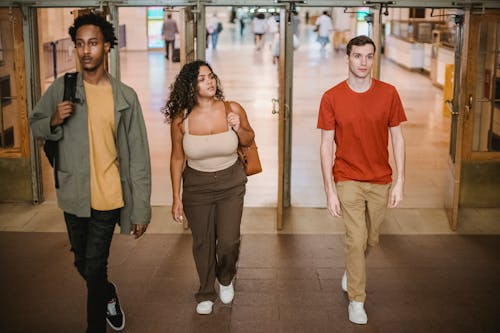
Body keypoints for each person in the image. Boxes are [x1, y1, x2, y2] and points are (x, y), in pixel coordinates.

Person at [29, 13, 152, 333]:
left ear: (107, 47)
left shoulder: (125, 96)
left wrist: (141, 208)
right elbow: (35, 125)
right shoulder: (62, 88)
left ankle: (94, 326)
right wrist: (53, 120)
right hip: (74, 193)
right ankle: (108, 293)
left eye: (93, 43)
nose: (86, 50)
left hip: (110, 195)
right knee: (82, 262)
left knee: (96, 263)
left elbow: (139, 156)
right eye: (80, 44)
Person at [317, 35, 406, 325]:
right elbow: (326, 144)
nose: (363, 62)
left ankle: (352, 270)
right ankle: (357, 299)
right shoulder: (332, 97)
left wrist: (401, 180)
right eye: (357, 56)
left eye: (369, 56)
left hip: (380, 179)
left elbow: (397, 137)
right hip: (347, 177)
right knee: (356, 239)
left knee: (371, 239)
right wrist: (329, 190)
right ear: (347, 58)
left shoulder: (389, 93)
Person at [163, 60, 254, 315]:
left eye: (211, 76)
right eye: (202, 79)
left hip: (231, 183)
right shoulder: (182, 119)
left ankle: (225, 277)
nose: (209, 82)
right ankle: (205, 291)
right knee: (202, 242)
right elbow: (177, 158)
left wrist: (238, 126)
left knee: (228, 240)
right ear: (190, 86)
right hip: (197, 186)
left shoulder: (231, 108)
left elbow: (248, 139)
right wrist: (175, 197)